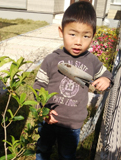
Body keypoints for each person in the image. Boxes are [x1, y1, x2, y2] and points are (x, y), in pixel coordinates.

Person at [33, 1, 112, 160]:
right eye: (73, 34)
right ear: (61, 32)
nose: (78, 41)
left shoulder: (91, 61)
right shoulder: (51, 59)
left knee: (67, 155)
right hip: (49, 119)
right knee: (43, 149)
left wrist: (106, 79)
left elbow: (107, 74)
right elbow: (38, 86)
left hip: (72, 125)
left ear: (93, 36)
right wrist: (43, 109)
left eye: (86, 36)